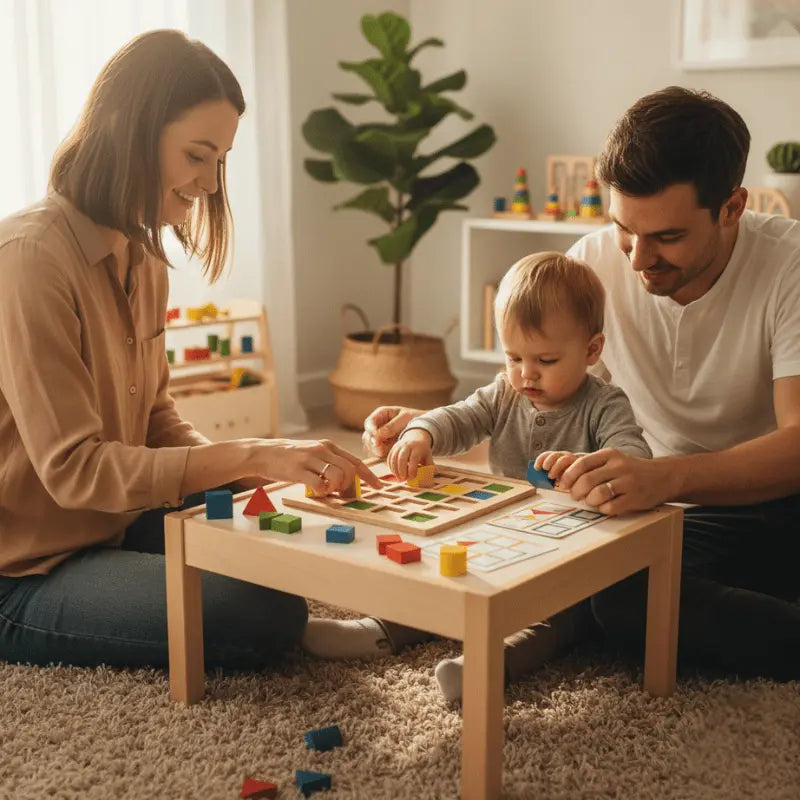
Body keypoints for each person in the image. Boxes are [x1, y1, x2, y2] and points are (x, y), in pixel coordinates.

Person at [363, 86, 800, 682]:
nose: (639, 258)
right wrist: (424, 423)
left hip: (769, 501)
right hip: (656, 506)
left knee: (623, 594)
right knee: (598, 584)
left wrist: (666, 476)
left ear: (731, 207)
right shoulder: (592, 262)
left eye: (667, 237)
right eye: (624, 228)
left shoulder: (787, 265)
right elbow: (534, 384)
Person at [0, 29, 379, 671]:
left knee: (287, 545)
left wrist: (254, 473)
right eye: (197, 156)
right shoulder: (29, 260)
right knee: (259, 614)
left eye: (219, 161)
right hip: (28, 569)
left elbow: (155, 419)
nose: (208, 182)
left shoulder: (144, 258)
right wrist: (252, 451)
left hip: (119, 520)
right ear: (128, 131)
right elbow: (75, 470)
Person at [302, 251, 652, 701]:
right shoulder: (504, 393)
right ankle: (379, 631)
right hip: (501, 529)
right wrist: (421, 432)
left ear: (591, 350)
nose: (526, 373)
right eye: (513, 357)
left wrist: (592, 467)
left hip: (573, 545)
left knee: (562, 614)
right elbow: (460, 417)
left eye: (546, 360)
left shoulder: (605, 404)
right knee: (445, 575)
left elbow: (633, 457)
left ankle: (487, 665)